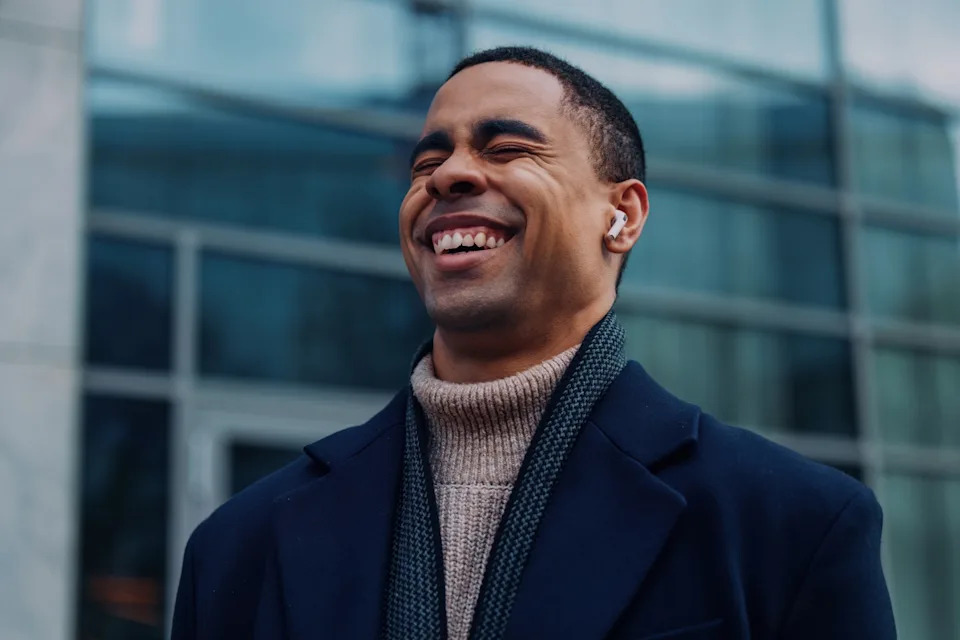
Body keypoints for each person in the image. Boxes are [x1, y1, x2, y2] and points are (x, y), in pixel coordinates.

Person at [171, 47, 896, 640]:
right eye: (426, 164)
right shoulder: (238, 547)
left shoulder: (791, 524)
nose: (448, 175)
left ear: (623, 214)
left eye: (507, 147)